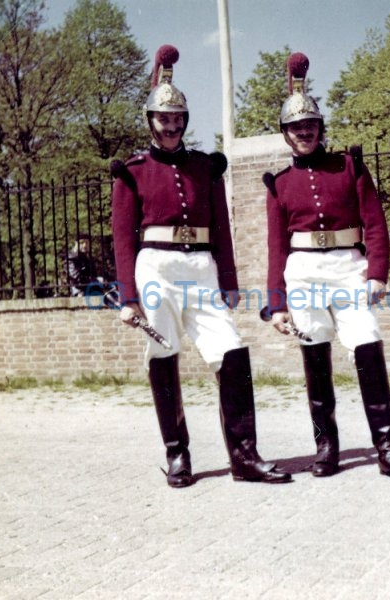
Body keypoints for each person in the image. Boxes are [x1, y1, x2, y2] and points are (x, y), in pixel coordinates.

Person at [110, 44, 291, 488]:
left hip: (202, 270)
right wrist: (129, 297)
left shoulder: (205, 167)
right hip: (156, 269)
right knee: (163, 353)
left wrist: (229, 280)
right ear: (150, 122)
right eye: (163, 119)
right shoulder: (133, 171)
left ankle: (244, 457)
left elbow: (222, 228)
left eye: (177, 119)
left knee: (231, 351)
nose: (171, 127)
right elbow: (123, 239)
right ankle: (177, 454)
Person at [263, 52, 390, 482]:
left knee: (367, 344)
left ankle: (387, 447)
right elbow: (276, 248)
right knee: (315, 356)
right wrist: (277, 303)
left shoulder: (349, 166)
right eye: (296, 128)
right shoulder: (279, 184)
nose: (304, 132)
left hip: (349, 267)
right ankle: (326, 447)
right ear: (286, 134)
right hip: (303, 273)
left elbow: (375, 223)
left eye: (310, 125)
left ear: (320, 128)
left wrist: (378, 273)